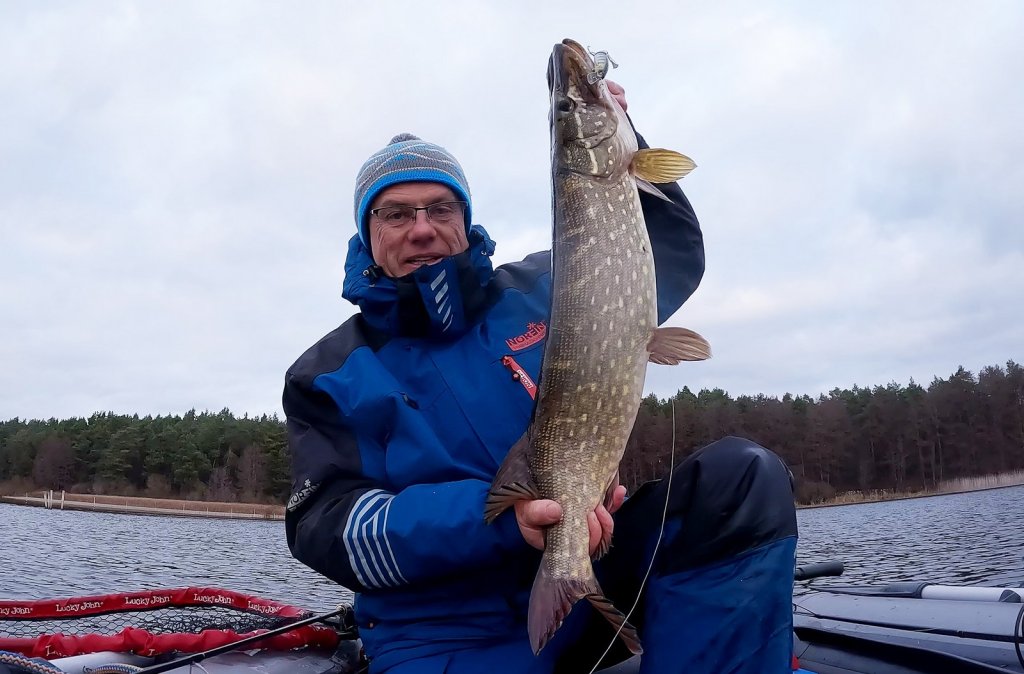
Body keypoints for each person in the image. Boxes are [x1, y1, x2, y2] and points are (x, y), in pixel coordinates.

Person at [283, 81, 798, 674]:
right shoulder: (326, 373)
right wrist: (503, 517)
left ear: (463, 218)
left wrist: (618, 141)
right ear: (368, 233)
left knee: (740, 479)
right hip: (443, 636)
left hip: (592, 574)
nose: (421, 228)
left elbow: (667, 252)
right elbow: (330, 527)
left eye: (440, 208)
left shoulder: (543, 290)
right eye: (396, 213)